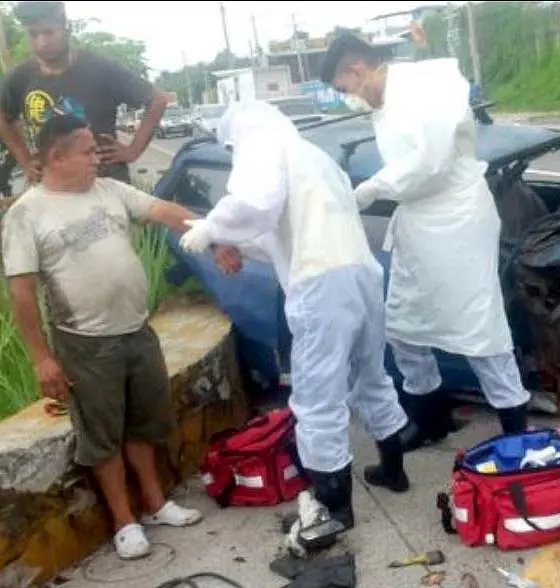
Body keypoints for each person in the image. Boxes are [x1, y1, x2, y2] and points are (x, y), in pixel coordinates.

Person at [177, 101, 411, 530]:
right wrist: (228, 241)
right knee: (371, 376)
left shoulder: (261, 147)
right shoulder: (312, 155)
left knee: (317, 398)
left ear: (238, 135)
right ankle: (393, 470)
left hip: (321, 284)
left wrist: (212, 228)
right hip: (361, 273)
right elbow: (277, 231)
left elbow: (254, 202)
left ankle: (334, 508)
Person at [1, 114, 204, 560]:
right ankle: (124, 522)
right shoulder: (27, 213)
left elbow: (165, 211)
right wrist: (41, 359)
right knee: (102, 436)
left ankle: (154, 504)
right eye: (88, 151)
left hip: (136, 330)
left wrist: (214, 235)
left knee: (143, 424)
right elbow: (21, 293)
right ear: (57, 156)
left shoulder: (110, 191)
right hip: (85, 344)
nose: (99, 157)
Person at [320, 34, 532, 452]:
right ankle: (432, 418)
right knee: (403, 325)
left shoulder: (425, 89)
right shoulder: (387, 103)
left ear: (356, 69)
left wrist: (371, 189)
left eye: (343, 89)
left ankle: (516, 432)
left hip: (457, 221)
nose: (347, 99)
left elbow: (429, 165)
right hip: (418, 223)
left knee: (478, 329)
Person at [0, 1, 167, 185]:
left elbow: (157, 100)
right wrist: (24, 160)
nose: (42, 42)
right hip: (51, 187)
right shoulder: (20, 77)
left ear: (66, 28)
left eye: (49, 32)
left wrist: (133, 150)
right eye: (33, 34)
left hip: (105, 183)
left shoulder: (101, 68)